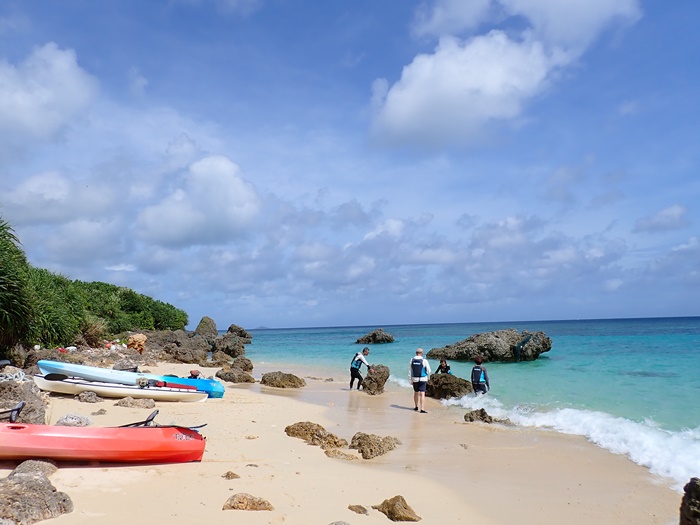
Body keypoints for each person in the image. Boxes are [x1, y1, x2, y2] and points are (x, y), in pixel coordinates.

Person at [409, 348, 431, 413]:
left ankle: (416, 407)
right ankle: (422, 409)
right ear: (422, 353)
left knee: (416, 392)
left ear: (416, 353)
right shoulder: (424, 360)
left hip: (415, 378)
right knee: (422, 393)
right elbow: (429, 370)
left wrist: (410, 379)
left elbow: (410, 371)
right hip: (423, 378)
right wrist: (428, 377)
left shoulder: (412, 360)